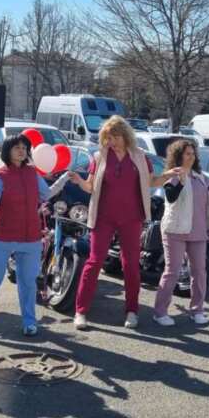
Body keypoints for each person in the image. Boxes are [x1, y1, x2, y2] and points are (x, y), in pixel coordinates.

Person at [69, 115, 173, 330]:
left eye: (116, 137)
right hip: (103, 217)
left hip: (131, 217)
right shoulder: (99, 157)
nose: (112, 142)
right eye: (108, 137)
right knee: (94, 262)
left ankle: (132, 311)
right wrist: (79, 181)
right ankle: (80, 311)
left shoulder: (140, 156)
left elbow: (151, 182)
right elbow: (90, 187)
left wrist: (167, 175)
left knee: (130, 265)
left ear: (126, 136)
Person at [0, 134, 68, 337]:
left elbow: (46, 193)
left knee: (28, 283)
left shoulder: (32, 173)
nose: (22, 151)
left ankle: (29, 322)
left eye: (24, 148)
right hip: (1, 237)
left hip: (30, 238)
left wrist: (65, 178)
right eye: (17, 147)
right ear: (7, 151)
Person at [153, 140, 209, 326]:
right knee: (172, 272)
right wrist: (181, 182)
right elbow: (171, 197)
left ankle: (197, 310)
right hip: (175, 230)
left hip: (198, 231)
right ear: (178, 156)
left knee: (199, 272)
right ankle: (159, 312)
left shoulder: (199, 176)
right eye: (187, 153)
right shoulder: (173, 174)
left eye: (193, 153)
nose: (191, 157)